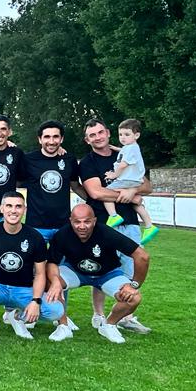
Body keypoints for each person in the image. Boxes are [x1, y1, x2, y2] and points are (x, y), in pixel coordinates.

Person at [0, 191, 70, 343]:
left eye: (18, 206)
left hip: (22, 290)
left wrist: (36, 301)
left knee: (56, 311)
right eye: (9, 206)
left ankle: (18, 317)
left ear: (25, 210)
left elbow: (40, 274)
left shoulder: (35, 237)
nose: (13, 210)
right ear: (2, 208)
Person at [79, 118, 154, 334]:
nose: (97, 137)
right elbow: (96, 192)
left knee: (130, 270)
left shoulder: (127, 152)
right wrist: (128, 194)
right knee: (102, 268)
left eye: (100, 132)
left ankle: (126, 316)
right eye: (92, 135)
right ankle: (98, 314)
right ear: (87, 140)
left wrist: (134, 191)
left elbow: (147, 185)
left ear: (108, 133)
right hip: (102, 222)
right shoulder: (88, 162)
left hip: (129, 221)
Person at [45, 204, 150, 344]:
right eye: (77, 222)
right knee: (50, 282)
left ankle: (109, 325)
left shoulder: (106, 232)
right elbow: (51, 262)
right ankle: (63, 325)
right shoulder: (62, 234)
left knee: (134, 298)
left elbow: (142, 256)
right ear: (71, 220)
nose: (82, 226)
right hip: (76, 272)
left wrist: (134, 285)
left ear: (94, 220)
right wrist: (56, 282)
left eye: (87, 221)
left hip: (107, 274)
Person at [18, 121, 84, 242]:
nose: (52, 141)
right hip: (36, 226)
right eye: (47, 137)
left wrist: (94, 202)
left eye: (56, 136)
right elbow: (15, 183)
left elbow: (75, 186)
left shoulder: (69, 159)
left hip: (63, 226)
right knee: (36, 261)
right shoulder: (28, 160)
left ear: (62, 139)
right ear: (40, 139)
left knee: (64, 261)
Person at [103, 118, 159, 243]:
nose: (123, 138)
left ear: (136, 135)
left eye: (127, 135)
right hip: (135, 181)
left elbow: (123, 165)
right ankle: (149, 225)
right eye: (120, 135)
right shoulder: (130, 147)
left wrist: (113, 175)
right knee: (136, 203)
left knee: (106, 193)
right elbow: (123, 152)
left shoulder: (130, 149)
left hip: (128, 179)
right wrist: (115, 148)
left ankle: (113, 216)